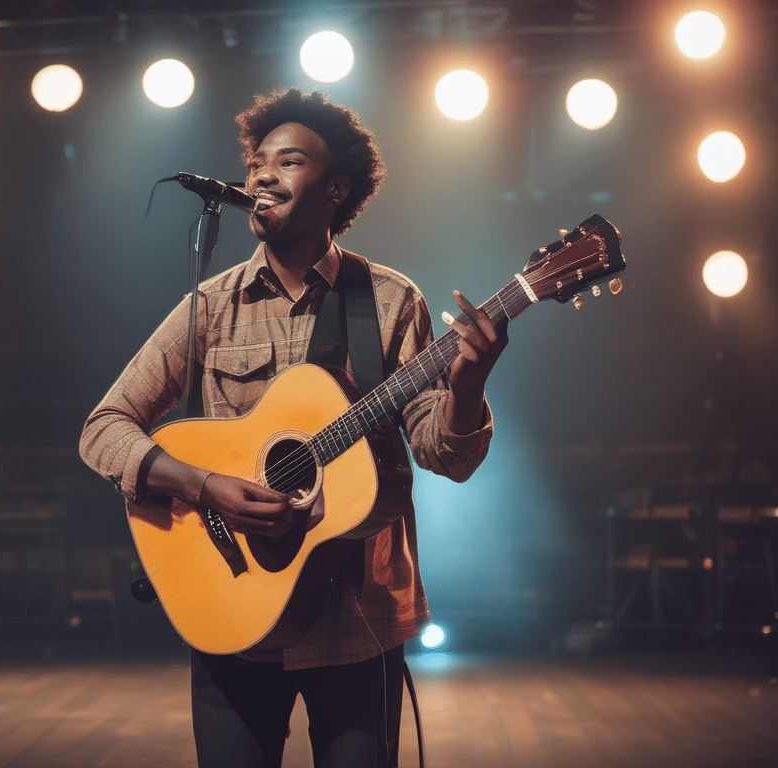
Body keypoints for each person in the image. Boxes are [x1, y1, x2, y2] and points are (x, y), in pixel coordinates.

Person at [80, 87, 507, 768]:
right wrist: (205, 484)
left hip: (358, 620)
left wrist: (469, 384)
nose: (260, 175)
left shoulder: (391, 302)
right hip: (234, 608)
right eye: (254, 163)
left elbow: (444, 456)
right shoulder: (210, 307)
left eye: (287, 161)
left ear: (336, 188)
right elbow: (104, 428)